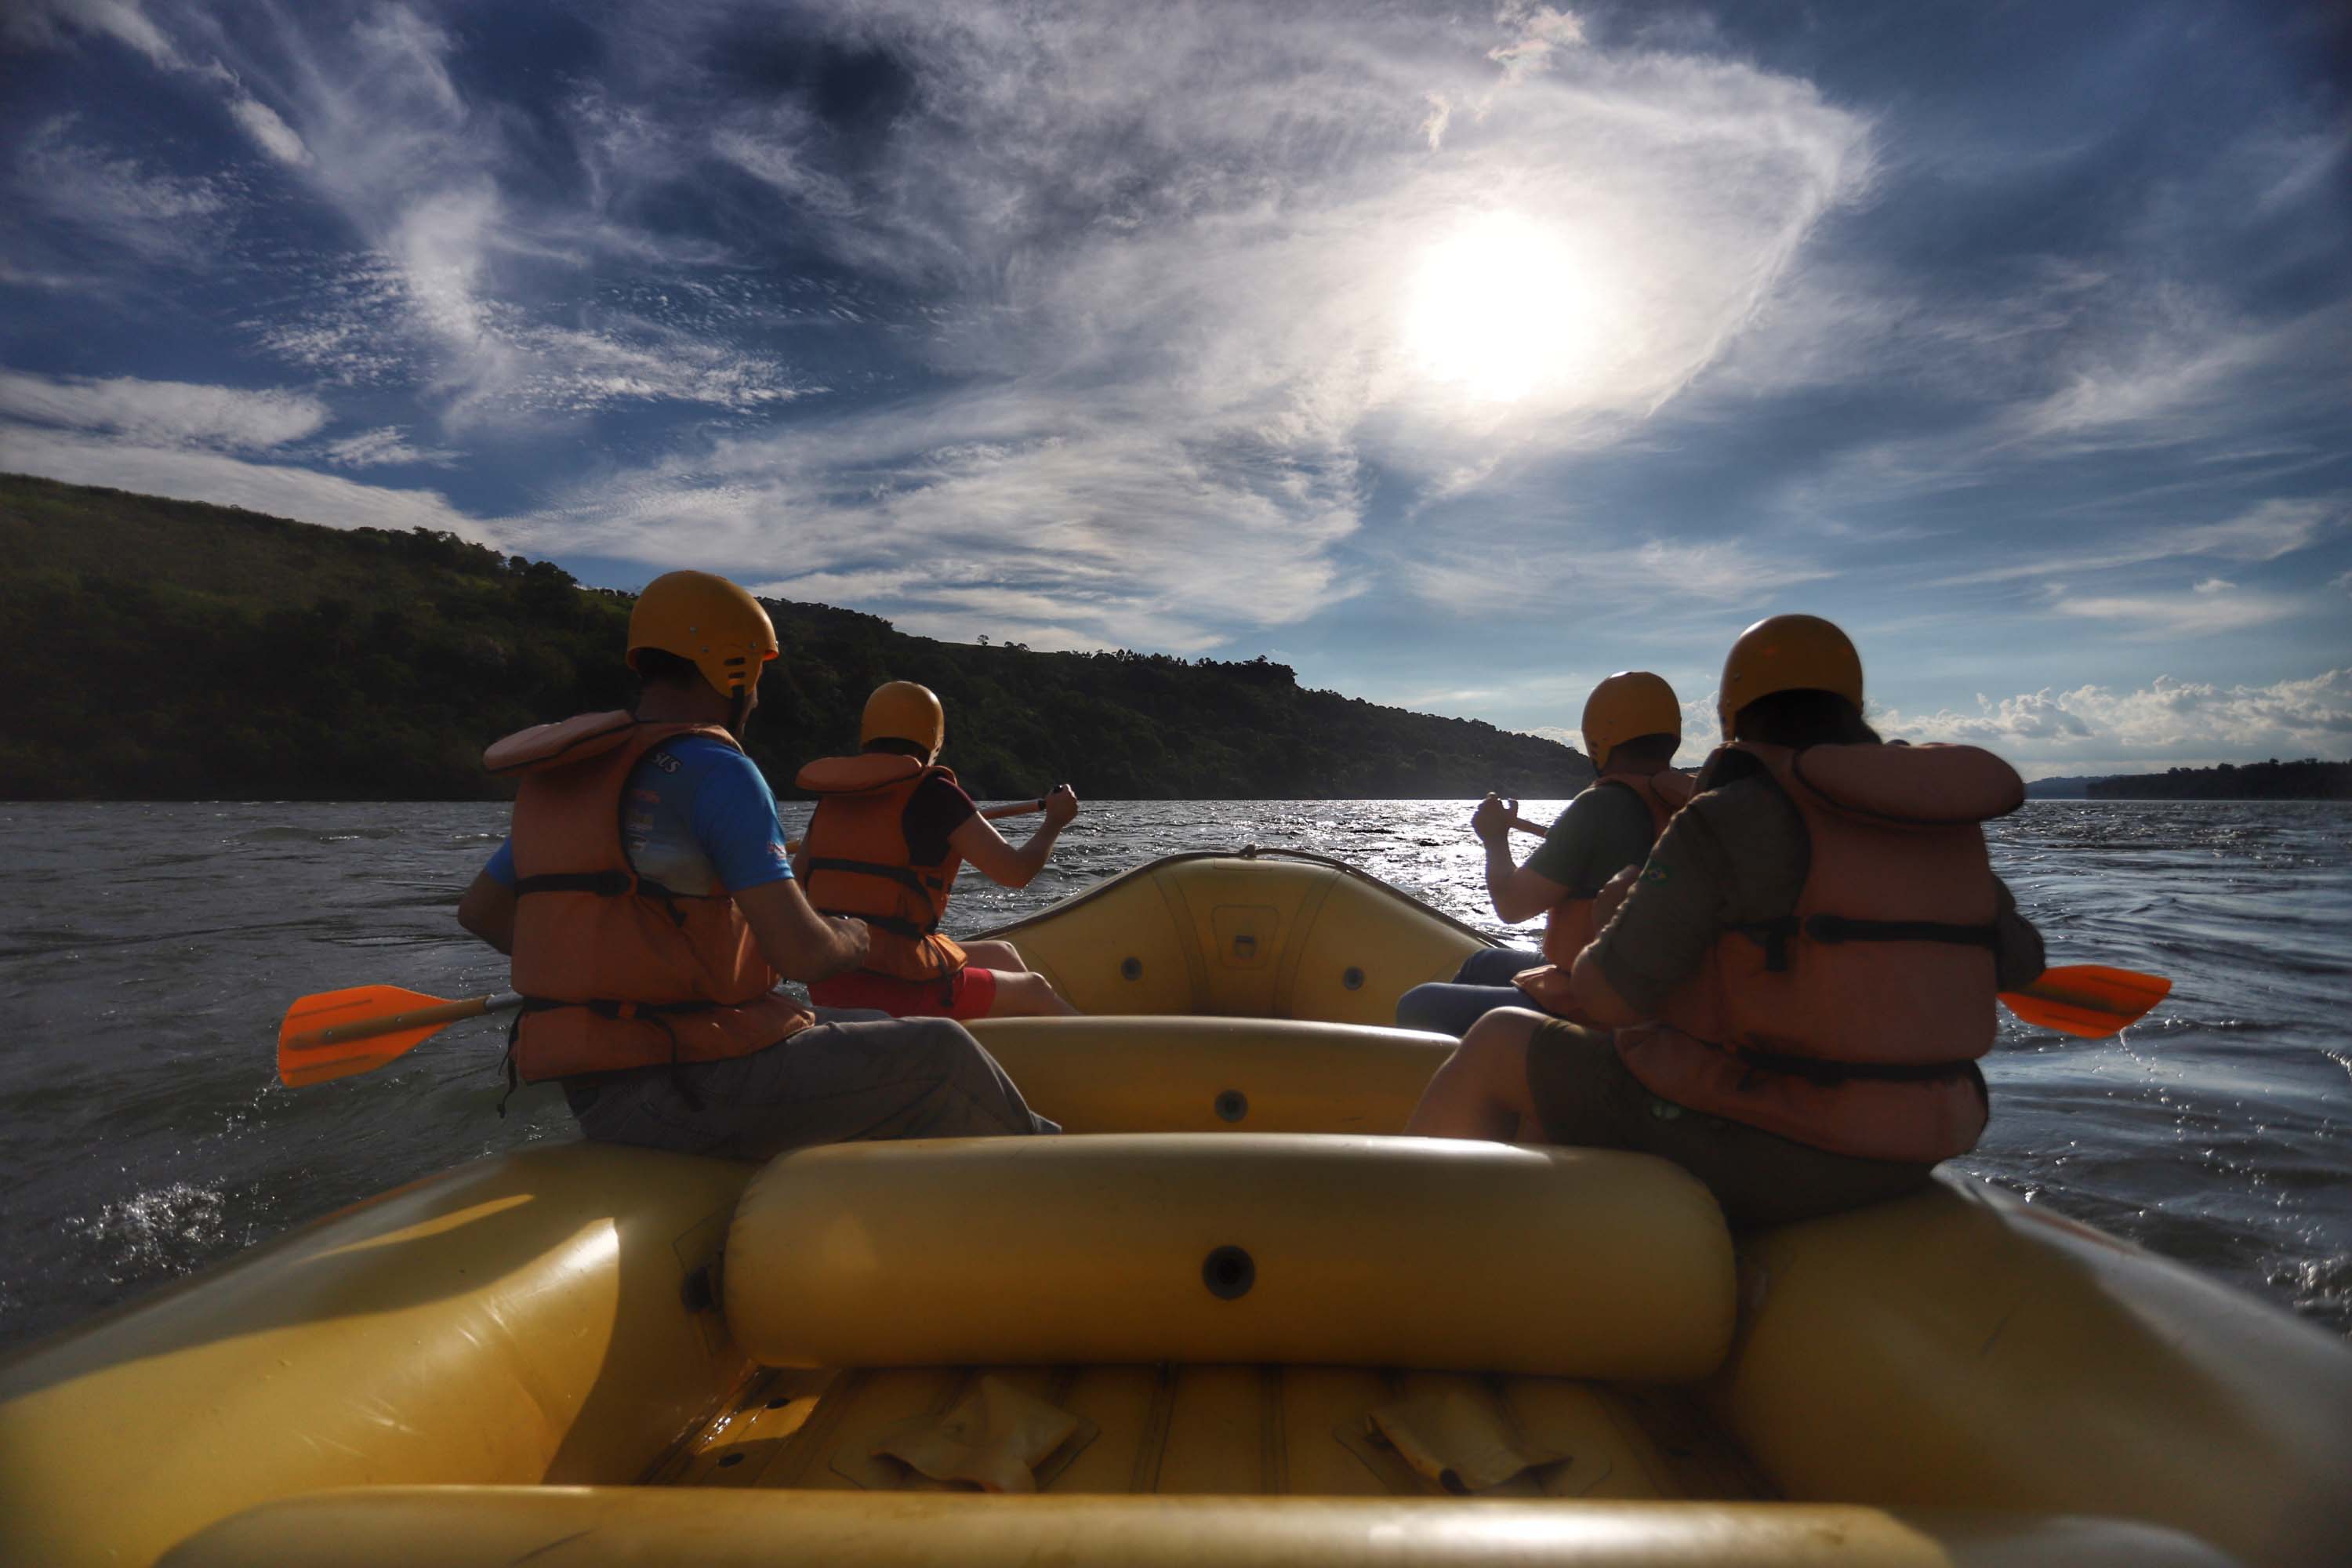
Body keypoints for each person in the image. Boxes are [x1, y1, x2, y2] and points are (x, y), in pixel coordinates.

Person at [1403, 614, 2044, 1226]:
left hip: (1775, 1144)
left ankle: (1405, 1262)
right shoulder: (1935, 829)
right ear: (1855, 708)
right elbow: (2022, 962)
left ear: (1732, 715)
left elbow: (1611, 995)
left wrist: (1613, 913)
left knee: (1497, 1039)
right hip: (1917, 1148)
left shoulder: (1728, 816)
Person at [455, 571, 1056, 1160]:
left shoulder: (582, 775)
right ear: (732, 667)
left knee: (866, 1019)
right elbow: (803, 954)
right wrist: (853, 939)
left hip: (595, 1091)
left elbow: (480, 913)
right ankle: (1052, 1175)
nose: (759, 693)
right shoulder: (718, 770)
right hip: (690, 1084)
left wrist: (611, 970)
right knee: (941, 1052)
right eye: (758, 673)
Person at [1395, 671, 1693, 1036]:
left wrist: (1495, 840)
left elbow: (1511, 906)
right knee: (1482, 964)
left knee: (1418, 1005)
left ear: (1599, 734)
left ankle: (1487, 1077)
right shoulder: (1685, 805)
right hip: (1647, 991)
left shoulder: (1600, 806)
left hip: (1595, 1005)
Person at [792, 681, 1081, 1019]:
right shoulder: (936, 795)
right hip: (896, 987)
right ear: (934, 739)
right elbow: (1016, 872)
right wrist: (1054, 823)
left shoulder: (833, 801)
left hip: (831, 975)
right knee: (1036, 990)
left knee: (1002, 955)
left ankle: (998, 1047)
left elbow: (793, 883)